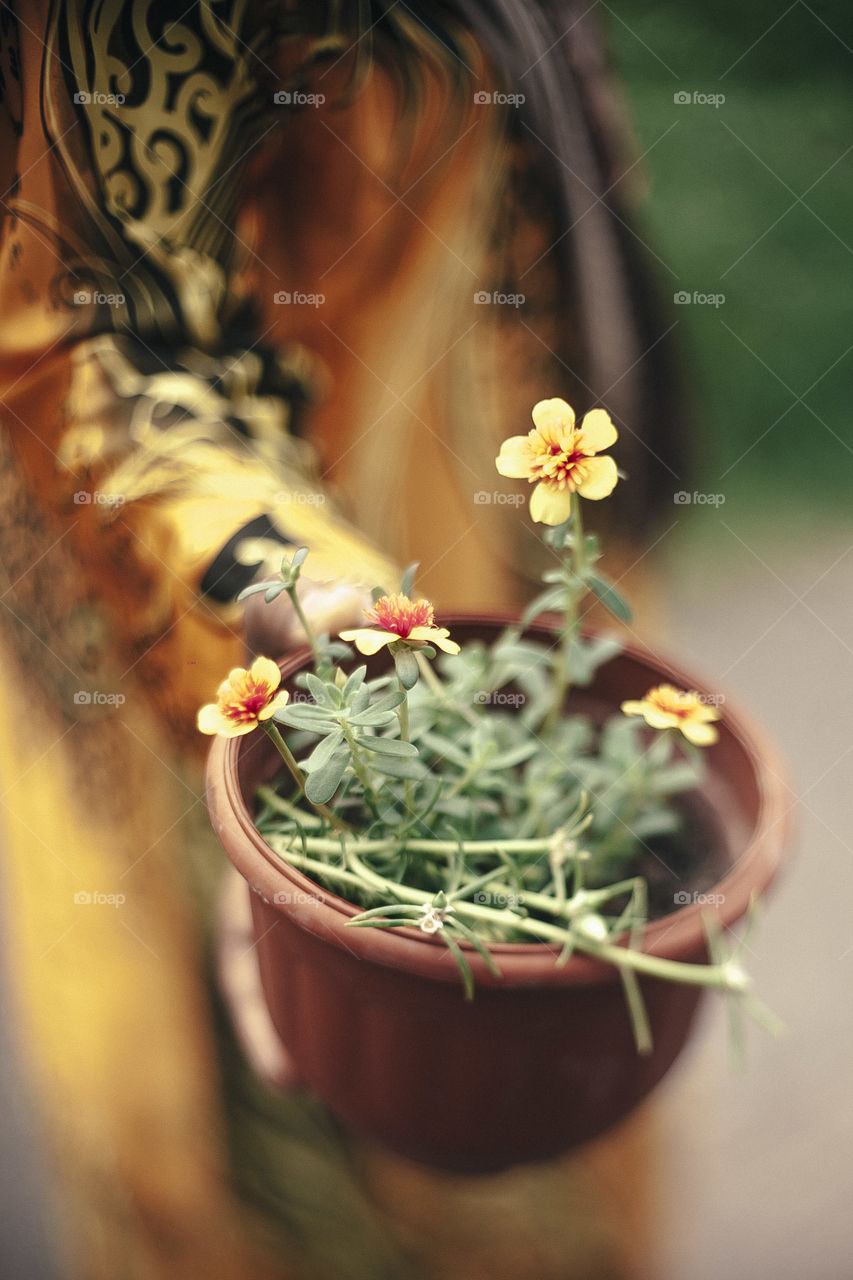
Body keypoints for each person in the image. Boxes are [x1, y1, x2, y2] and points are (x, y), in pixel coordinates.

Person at [0, 3, 680, 1276]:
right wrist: (308, 628)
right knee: (277, 1170)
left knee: (542, 1115)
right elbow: (91, 328)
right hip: (218, 658)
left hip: (498, 564)